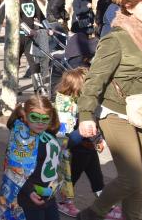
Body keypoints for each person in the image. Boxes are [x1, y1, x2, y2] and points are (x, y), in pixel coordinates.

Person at [77, 0, 142, 220]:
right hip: (115, 112)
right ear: (129, 6)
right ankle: (93, 213)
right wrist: (86, 115)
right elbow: (95, 79)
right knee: (132, 177)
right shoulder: (116, 39)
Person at [54, 68, 120, 219]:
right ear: (76, 89)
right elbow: (65, 140)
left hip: (87, 149)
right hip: (75, 151)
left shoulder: (84, 103)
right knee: (72, 179)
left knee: (97, 179)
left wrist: (97, 139)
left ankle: (106, 206)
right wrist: (86, 133)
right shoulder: (65, 107)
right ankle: (63, 202)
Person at [0, 95, 61, 220]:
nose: (40, 123)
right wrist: (30, 191)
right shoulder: (21, 140)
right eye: (35, 117)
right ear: (25, 116)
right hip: (27, 196)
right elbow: (13, 170)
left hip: (48, 194)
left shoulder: (50, 136)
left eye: (45, 118)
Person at [16, 0, 52, 95]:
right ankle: (13, 86)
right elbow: (16, 17)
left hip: (31, 37)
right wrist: (27, 29)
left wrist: (48, 27)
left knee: (34, 62)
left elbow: (40, 15)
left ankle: (38, 88)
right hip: (18, 37)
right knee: (15, 62)